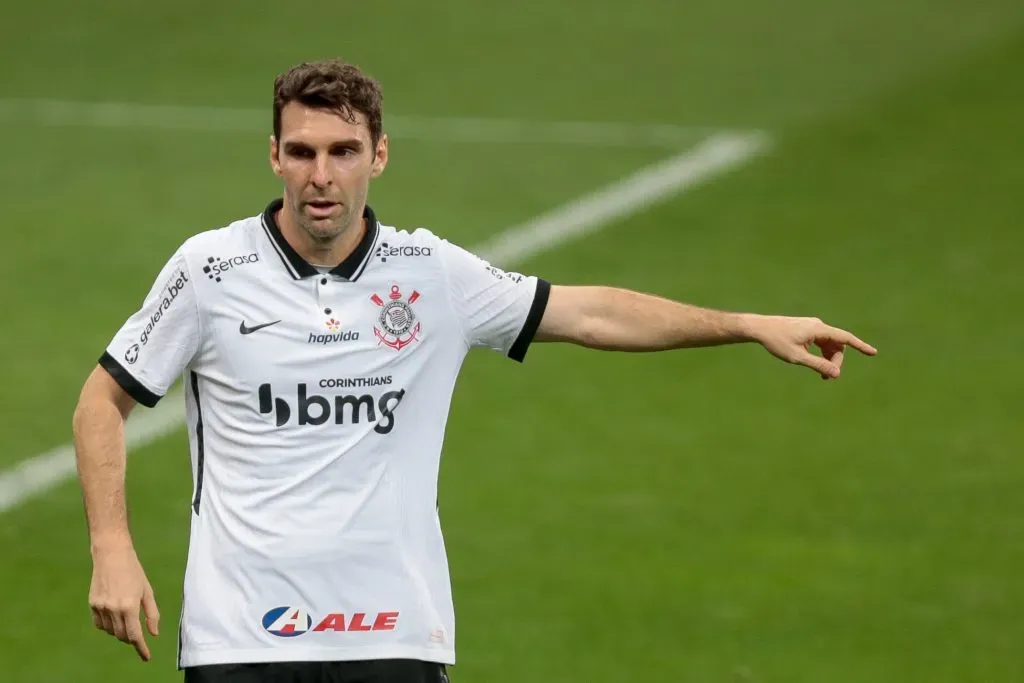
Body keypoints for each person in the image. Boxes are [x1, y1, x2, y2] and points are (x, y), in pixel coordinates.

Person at [71, 58, 876, 683]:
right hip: (240, 635)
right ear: (274, 155)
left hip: (392, 630)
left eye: (344, 151)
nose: (323, 176)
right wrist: (112, 545)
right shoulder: (209, 270)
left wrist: (744, 324)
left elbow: (589, 314)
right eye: (304, 152)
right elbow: (101, 400)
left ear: (379, 155)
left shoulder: (431, 274)